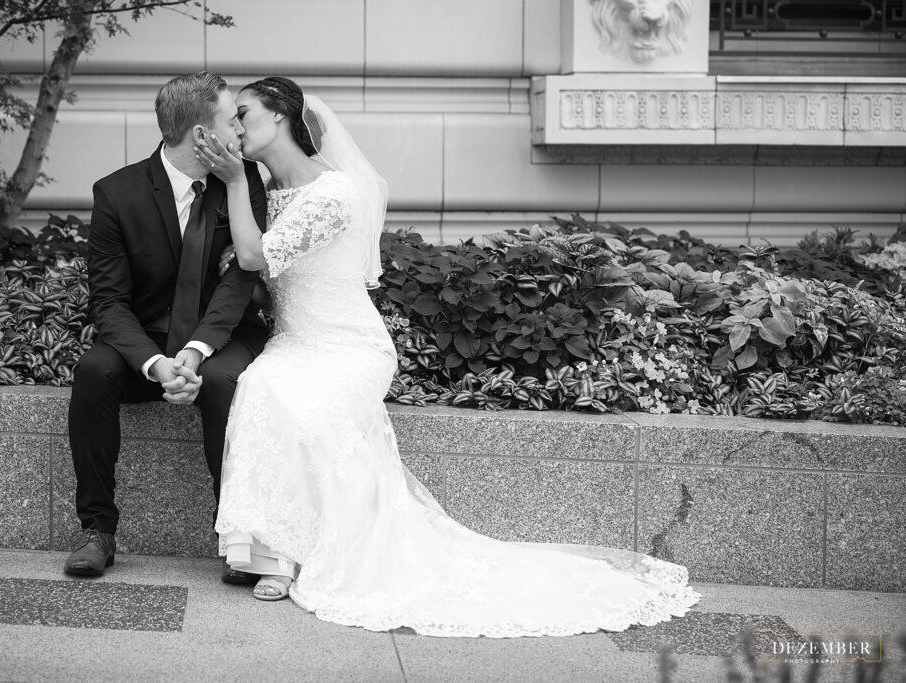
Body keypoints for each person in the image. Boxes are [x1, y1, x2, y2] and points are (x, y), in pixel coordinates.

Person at [194, 76, 701, 636]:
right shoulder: (270, 193)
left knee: (307, 412)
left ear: (283, 118)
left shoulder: (335, 193)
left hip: (348, 347)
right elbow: (266, 277)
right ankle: (274, 556)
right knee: (261, 390)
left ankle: (313, 554)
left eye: (243, 113)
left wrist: (236, 185)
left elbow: (253, 254)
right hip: (295, 342)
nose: (234, 126)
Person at [64, 72, 268, 587]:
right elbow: (108, 303)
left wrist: (196, 353)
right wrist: (156, 364)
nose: (240, 133)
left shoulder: (244, 184)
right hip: (147, 343)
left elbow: (238, 284)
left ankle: (235, 538)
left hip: (221, 339)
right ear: (201, 135)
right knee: (93, 369)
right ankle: (97, 530)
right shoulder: (117, 193)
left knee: (225, 383)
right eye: (231, 121)